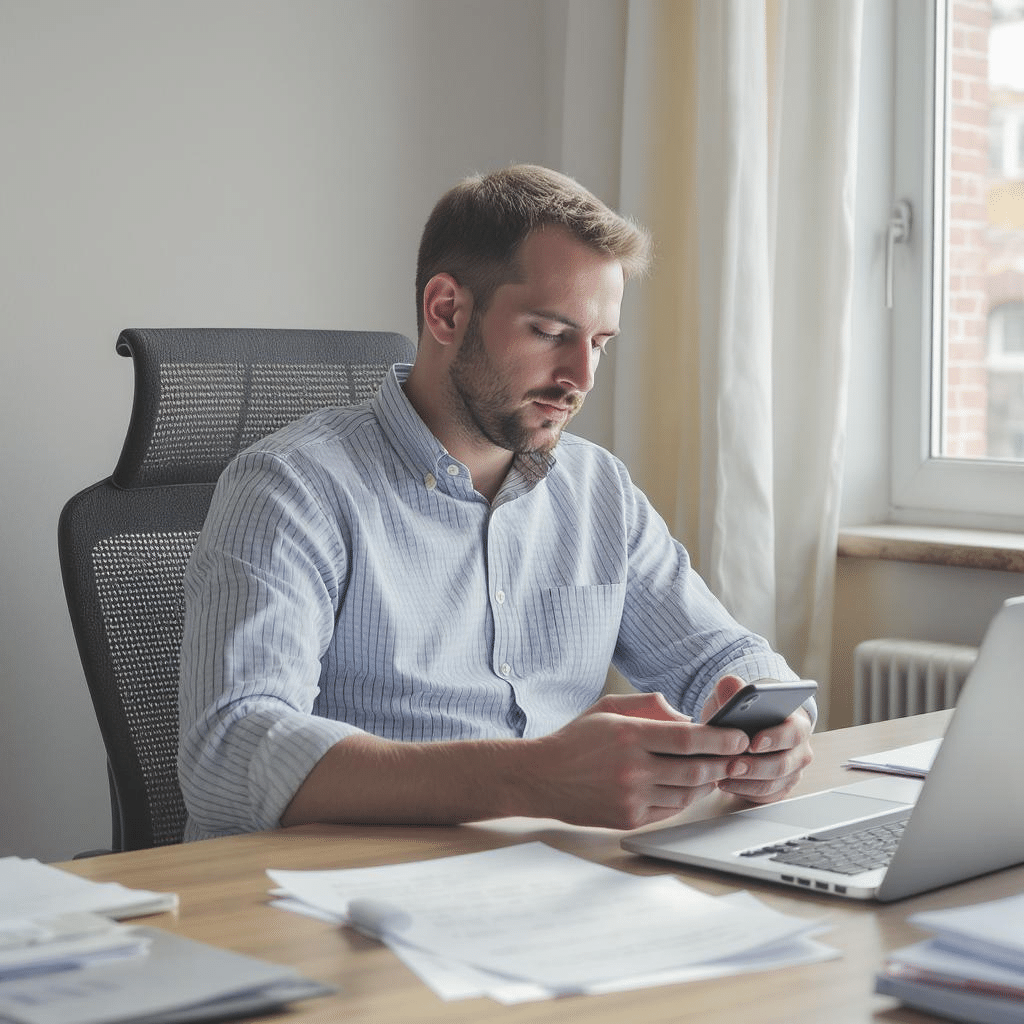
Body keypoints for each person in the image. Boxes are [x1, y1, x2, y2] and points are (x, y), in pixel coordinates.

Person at [178, 164, 814, 841]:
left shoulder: (600, 492)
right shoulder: (290, 487)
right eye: (549, 332)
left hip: (551, 887)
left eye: (599, 343)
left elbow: (719, 656)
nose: (581, 378)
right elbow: (230, 752)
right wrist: (530, 777)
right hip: (345, 900)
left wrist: (777, 728)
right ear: (447, 309)